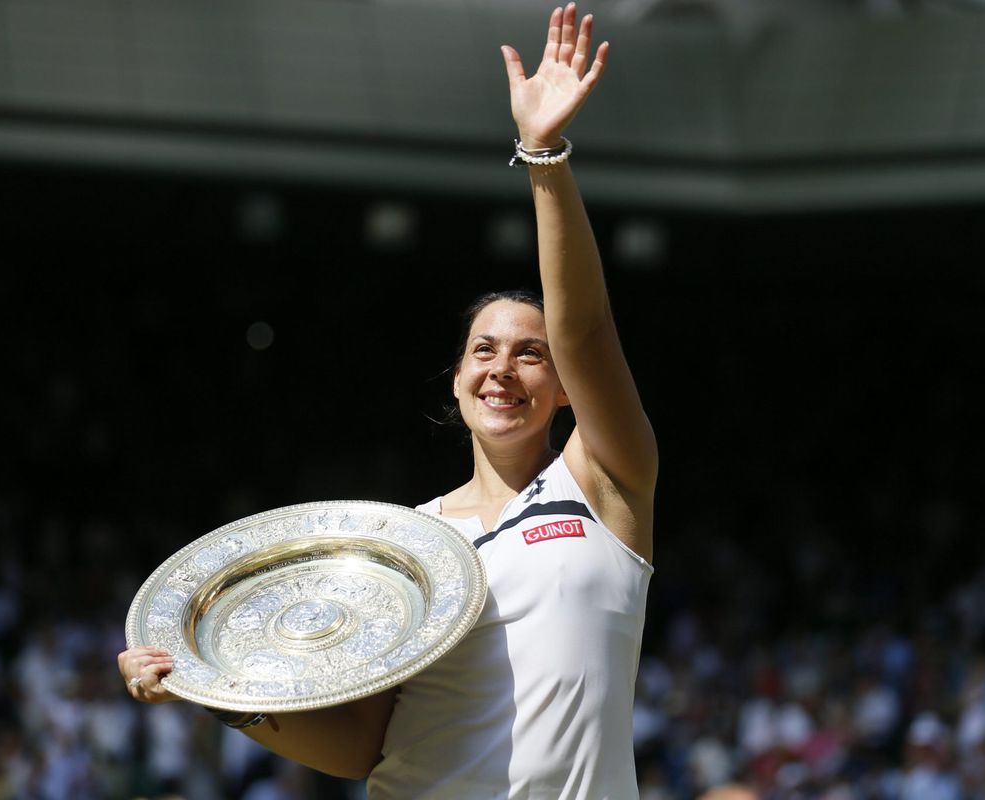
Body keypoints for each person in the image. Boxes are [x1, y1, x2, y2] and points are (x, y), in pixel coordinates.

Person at [118, 4, 657, 796]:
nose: (502, 368)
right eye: (483, 350)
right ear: (455, 379)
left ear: (568, 389)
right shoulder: (407, 547)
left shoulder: (606, 486)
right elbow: (360, 750)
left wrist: (544, 157)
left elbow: (587, 329)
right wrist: (212, 689)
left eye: (530, 354)